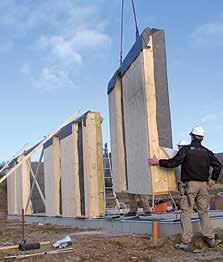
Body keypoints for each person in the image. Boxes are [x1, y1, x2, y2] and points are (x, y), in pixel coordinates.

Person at [148, 126, 222, 251]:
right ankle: (210, 239)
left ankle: (186, 242)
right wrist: (213, 179)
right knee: (203, 212)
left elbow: (174, 162)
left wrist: (158, 162)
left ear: (191, 135)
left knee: (186, 213)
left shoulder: (186, 150)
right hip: (203, 186)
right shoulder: (207, 152)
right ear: (202, 138)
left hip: (190, 186)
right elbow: (218, 165)